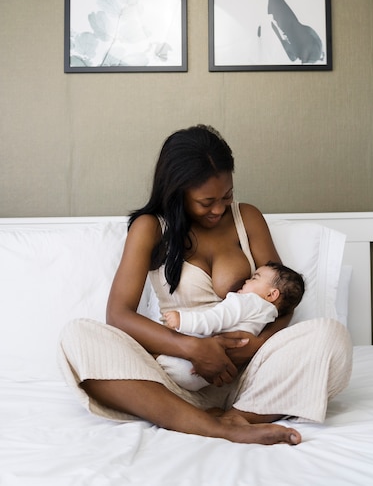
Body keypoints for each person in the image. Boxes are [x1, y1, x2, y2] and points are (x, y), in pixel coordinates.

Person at [59, 124, 352, 446]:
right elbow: (119, 315)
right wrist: (193, 348)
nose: (218, 209)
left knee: (330, 334)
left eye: (226, 196)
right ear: (177, 192)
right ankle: (216, 426)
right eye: (206, 201)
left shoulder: (247, 218)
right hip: (177, 379)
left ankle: (239, 417)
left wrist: (255, 346)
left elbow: (282, 300)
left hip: (252, 379)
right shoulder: (151, 228)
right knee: (78, 336)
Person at [158, 262, 305, 390]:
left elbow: (214, 319)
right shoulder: (268, 317)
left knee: (148, 350)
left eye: (255, 278)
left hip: (189, 362)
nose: (247, 280)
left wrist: (182, 320)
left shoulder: (247, 301)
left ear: (272, 295)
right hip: (207, 376)